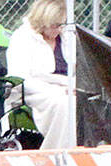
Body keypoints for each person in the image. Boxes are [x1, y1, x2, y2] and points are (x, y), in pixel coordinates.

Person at [6, 0, 75, 151]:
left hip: (69, 86)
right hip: (35, 91)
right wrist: (59, 88)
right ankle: (55, 153)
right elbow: (20, 79)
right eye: (55, 25)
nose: (59, 29)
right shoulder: (22, 38)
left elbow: (78, 69)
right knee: (64, 103)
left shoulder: (66, 36)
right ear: (43, 21)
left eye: (62, 24)